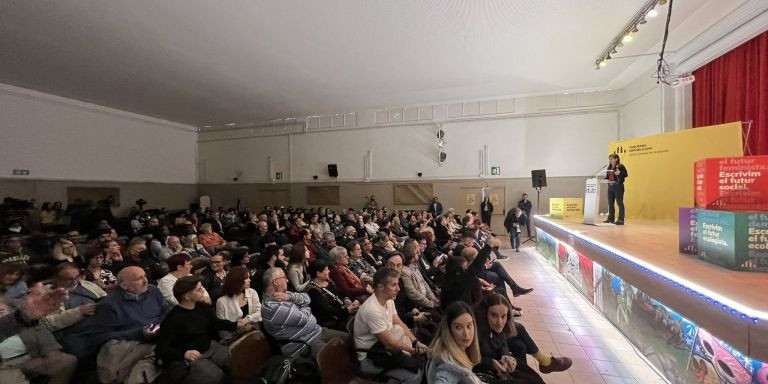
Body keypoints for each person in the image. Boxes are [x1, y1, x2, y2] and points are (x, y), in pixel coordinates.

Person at [155, 275, 241, 384]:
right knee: (215, 377)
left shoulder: (201, 307)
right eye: (199, 289)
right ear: (187, 296)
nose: (203, 291)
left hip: (210, 346)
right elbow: (162, 348)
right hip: (192, 355)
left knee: (237, 360)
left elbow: (216, 323)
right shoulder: (173, 319)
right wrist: (184, 354)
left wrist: (236, 324)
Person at [354, 267, 425, 384]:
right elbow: (388, 342)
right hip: (371, 357)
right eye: (394, 285)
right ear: (381, 286)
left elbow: (399, 323)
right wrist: (413, 350)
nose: (398, 288)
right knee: (414, 376)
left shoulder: (389, 300)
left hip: (384, 347)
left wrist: (416, 342)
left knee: (418, 354)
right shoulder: (372, 309)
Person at [475, 293, 571, 380]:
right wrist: (491, 363)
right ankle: (544, 361)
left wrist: (506, 356)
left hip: (499, 362)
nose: (500, 322)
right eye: (494, 316)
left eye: (503, 316)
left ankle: (543, 362)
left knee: (521, 348)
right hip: (485, 369)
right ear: (484, 313)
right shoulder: (475, 331)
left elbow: (502, 341)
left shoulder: (498, 328)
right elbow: (466, 357)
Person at [260, 267, 350, 359]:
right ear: (275, 282)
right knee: (337, 357)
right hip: (303, 344)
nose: (287, 280)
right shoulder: (274, 308)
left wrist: (291, 297)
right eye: (284, 277)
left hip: (316, 331)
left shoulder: (283, 294)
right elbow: (305, 318)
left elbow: (306, 297)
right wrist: (303, 304)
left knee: (348, 339)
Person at [426, 301, 482, 384]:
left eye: (469, 326)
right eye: (458, 327)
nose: (466, 334)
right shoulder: (448, 364)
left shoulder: (458, 350)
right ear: (449, 330)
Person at [305, 261, 359, 331]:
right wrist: (347, 311)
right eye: (326, 270)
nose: (329, 271)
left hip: (344, 312)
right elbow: (326, 310)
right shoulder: (313, 290)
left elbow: (341, 292)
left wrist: (347, 300)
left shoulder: (328, 281)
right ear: (318, 273)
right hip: (334, 321)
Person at [216, 266, 261, 340]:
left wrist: (247, 320)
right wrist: (238, 330)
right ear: (237, 280)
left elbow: (260, 312)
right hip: (234, 338)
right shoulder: (221, 301)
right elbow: (222, 328)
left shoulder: (252, 292)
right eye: (246, 278)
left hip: (254, 331)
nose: (250, 280)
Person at [605, 153, 629, 225]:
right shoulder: (609, 167)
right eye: (609, 159)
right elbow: (607, 177)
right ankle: (610, 218)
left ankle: (621, 220)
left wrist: (620, 172)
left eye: (611, 158)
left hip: (618, 186)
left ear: (616, 159)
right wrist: (604, 180)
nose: (610, 160)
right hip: (610, 187)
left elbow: (626, 174)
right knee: (610, 203)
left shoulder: (620, 166)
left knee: (619, 203)